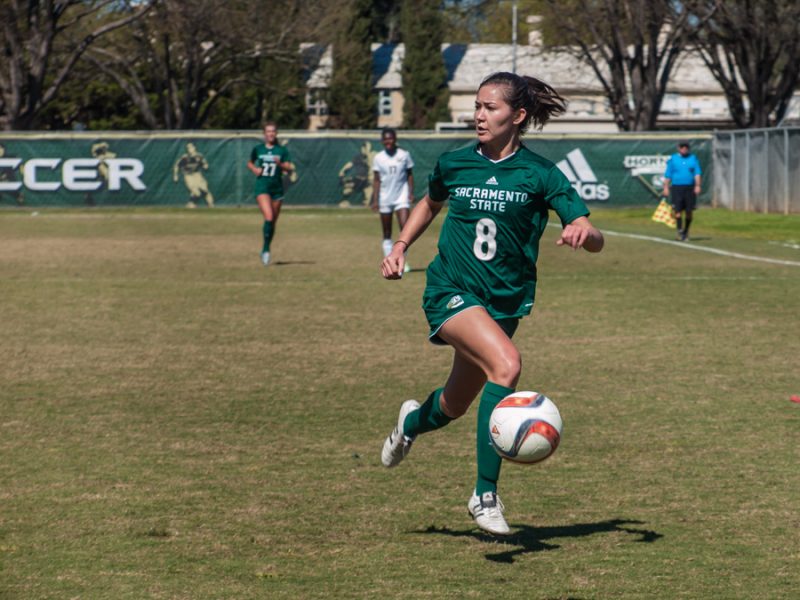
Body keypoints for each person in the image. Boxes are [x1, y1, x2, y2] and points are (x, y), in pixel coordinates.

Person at [379, 72, 604, 536]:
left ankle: (410, 423)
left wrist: (584, 232)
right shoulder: (455, 162)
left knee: (453, 405)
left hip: (504, 305)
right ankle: (485, 495)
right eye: (477, 106)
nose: (479, 115)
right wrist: (401, 244)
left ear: (517, 116)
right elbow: (429, 202)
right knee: (507, 366)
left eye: (491, 108)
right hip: (451, 290)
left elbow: (590, 230)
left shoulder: (541, 174)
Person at [247, 123, 293, 266]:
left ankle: (265, 247)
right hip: (262, 187)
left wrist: (280, 164)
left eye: (273, 131)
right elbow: (249, 162)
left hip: (277, 189)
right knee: (269, 216)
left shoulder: (282, 150)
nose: (271, 134)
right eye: (268, 131)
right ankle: (266, 251)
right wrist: (254, 169)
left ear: (276, 133)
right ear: (264, 134)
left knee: (272, 222)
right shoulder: (258, 149)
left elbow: (289, 168)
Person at [370, 128, 415, 270]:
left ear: (395, 139)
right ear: (382, 141)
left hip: (401, 195)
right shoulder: (378, 157)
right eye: (385, 139)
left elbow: (409, 174)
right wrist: (375, 199)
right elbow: (377, 180)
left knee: (405, 230)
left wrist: (410, 192)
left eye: (390, 138)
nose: (388, 141)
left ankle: (402, 261)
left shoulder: (404, 155)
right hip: (385, 197)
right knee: (387, 233)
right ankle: (389, 262)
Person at [662, 141, 702, 241]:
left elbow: (697, 173)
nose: (684, 149)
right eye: (682, 147)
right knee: (677, 211)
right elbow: (668, 174)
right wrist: (666, 187)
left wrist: (697, 185)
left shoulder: (693, 158)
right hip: (677, 187)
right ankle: (679, 230)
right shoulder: (673, 159)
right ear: (678, 148)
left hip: (689, 188)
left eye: (686, 147)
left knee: (689, 211)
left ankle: (686, 231)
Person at [173, 142, 215, 208]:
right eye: (188, 148)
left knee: (205, 189)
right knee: (196, 193)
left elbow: (205, 164)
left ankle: (211, 205)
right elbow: (176, 165)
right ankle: (191, 203)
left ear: (194, 148)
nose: (189, 149)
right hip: (188, 176)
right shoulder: (184, 157)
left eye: (191, 147)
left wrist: (205, 166)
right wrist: (175, 175)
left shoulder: (199, 156)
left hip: (197, 175)